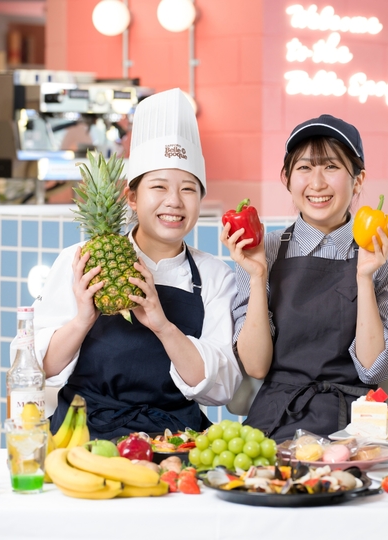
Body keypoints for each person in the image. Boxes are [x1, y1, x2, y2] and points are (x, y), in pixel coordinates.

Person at [34, 89, 241, 440]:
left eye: (188, 189)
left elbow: (220, 389)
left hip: (175, 441)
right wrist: (84, 318)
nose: (174, 202)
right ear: (132, 196)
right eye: (158, 187)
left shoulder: (214, 276)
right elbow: (41, 371)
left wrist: (163, 325)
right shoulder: (80, 260)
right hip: (84, 437)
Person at [222, 114, 388, 442]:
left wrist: (364, 277)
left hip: (354, 429)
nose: (318, 183)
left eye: (332, 167)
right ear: (287, 178)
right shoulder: (260, 250)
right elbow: (255, 366)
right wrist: (256, 277)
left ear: (359, 179)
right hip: (274, 421)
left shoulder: (386, 258)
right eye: (305, 168)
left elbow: (374, 368)